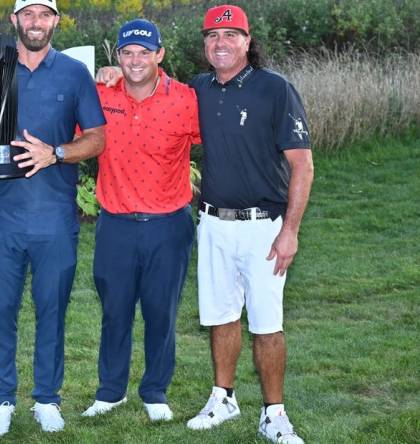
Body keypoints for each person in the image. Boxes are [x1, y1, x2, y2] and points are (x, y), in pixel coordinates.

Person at [0, 0, 106, 437]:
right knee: (2, 312)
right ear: (14, 21)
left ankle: (47, 398)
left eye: (44, 15)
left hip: (55, 220)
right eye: (28, 14)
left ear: (55, 22)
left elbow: (97, 138)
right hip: (4, 219)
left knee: (52, 311)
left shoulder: (74, 73)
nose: (35, 22)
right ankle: (2, 400)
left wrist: (57, 153)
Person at [184, 5, 313, 444]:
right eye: (212, 36)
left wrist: (290, 230)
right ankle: (224, 397)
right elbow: (148, 89)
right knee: (220, 316)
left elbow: (303, 165)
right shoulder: (197, 88)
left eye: (230, 35)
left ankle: (273, 413)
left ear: (246, 40)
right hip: (214, 223)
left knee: (266, 323)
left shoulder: (274, 89)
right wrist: (110, 72)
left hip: (264, 227)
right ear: (204, 44)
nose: (220, 44)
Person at [80, 19, 199, 423]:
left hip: (168, 225)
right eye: (127, 53)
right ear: (117, 56)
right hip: (115, 223)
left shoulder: (184, 99)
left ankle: (155, 391)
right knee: (115, 311)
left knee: (161, 311)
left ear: (159, 55)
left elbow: (216, 143)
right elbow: (75, 136)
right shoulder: (99, 95)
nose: (135, 61)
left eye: (144, 53)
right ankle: (110, 391)